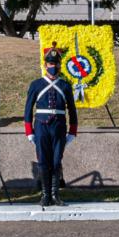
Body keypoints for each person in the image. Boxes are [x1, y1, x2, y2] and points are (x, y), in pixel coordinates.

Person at [24, 43, 78, 207]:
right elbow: (28, 109)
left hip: (59, 127)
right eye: (50, 64)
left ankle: (55, 195)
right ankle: (45, 196)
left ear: (60, 65)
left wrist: (72, 131)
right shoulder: (36, 84)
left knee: (56, 162)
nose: (53, 67)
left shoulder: (65, 85)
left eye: (56, 64)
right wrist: (29, 131)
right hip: (41, 127)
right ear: (46, 65)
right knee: (43, 162)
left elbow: (72, 109)